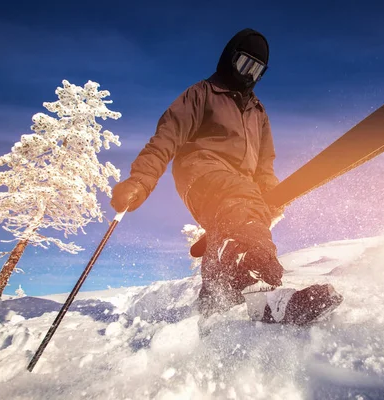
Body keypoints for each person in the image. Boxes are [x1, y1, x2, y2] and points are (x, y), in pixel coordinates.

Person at [111, 28, 343, 324]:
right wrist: (140, 181)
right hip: (200, 172)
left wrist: (270, 195)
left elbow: (264, 164)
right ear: (229, 60)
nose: (249, 75)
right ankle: (263, 291)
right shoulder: (202, 94)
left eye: (257, 70)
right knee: (240, 201)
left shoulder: (258, 112)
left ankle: (215, 304)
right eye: (244, 65)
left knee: (242, 214)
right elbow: (165, 138)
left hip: (239, 187)